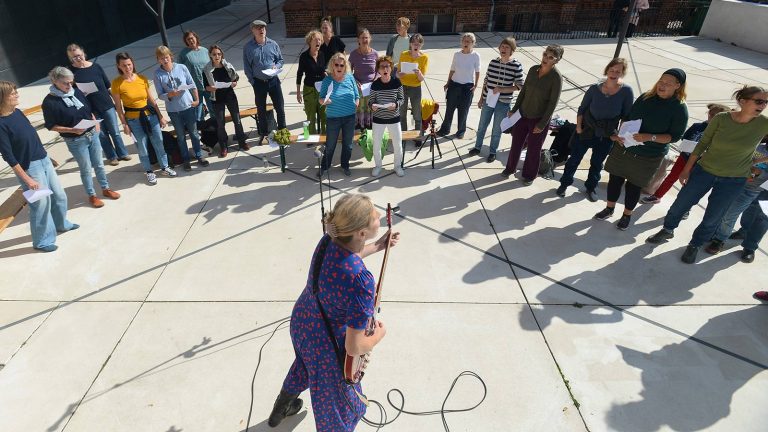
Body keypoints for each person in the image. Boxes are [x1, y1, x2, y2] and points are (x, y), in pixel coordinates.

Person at [267, 194, 399, 431]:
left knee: (304, 365)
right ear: (360, 232)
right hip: (326, 346)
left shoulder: (329, 238)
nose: (379, 216)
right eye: (374, 216)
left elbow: (350, 256)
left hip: (303, 322)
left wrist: (379, 246)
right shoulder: (361, 280)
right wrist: (379, 335)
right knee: (336, 412)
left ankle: (281, 409)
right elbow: (354, 346)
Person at [647, 85, 768, 263]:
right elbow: (702, 144)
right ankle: (667, 229)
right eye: (759, 101)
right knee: (681, 204)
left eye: (766, 102)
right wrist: (686, 169)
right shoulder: (721, 118)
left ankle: (695, 244)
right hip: (704, 171)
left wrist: (756, 162)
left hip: (734, 180)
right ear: (742, 101)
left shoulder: (763, 123)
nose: (763, 105)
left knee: (713, 216)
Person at [599, 69, 688, 230]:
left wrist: (649, 137)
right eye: (661, 81)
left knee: (634, 186)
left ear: (678, 86)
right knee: (615, 180)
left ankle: (626, 215)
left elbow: (674, 137)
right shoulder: (646, 97)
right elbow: (628, 117)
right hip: (624, 147)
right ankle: (609, 208)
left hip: (648, 155)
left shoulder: (679, 108)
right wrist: (619, 133)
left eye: (668, 83)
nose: (663, 85)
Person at [0, 80, 78, 252]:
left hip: (42, 159)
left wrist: (46, 156)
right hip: (29, 167)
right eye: (12, 93)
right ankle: (42, 241)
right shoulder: (1, 124)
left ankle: (62, 224)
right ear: (3, 97)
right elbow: (9, 157)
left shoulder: (18, 112)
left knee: (59, 195)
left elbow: (32, 137)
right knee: (40, 204)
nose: (16, 94)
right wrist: (27, 179)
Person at [557, 58, 634, 202]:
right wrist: (579, 127)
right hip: (587, 131)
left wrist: (618, 135)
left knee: (597, 164)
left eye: (618, 71)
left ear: (622, 73)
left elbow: (626, 116)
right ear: (607, 70)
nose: (614, 73)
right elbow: (582, 109)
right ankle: (564, 183)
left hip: (607, 135)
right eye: (612, 70)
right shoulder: (594, 88)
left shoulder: (626, 91)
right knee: (574, 160)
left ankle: (591, 187)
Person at [42, 67, 120, 208]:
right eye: (65, 83)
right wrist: (72, 130)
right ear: (55, 81)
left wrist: (94, 121)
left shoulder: (76, 91)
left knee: (100, 165)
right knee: (85, 168)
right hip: (76, 140)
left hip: (92, 134)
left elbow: (88, 109)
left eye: (71, 82)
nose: (69, 85)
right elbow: (51, 125)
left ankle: (106, 188)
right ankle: (92, 195)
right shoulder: (49, 102)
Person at [640, 103, 731, 205]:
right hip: (684, 157)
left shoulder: (720, 133)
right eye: (711, 114)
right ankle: (657, 196)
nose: (711, 117)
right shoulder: (698, 126)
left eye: (715, 116)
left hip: (700, 164)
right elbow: (684, 138)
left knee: (691, 186)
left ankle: (685, 206)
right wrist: (690, 145)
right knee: (672, 177)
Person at [111, 51, 177, 185]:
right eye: (124, 65)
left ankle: (164, 167)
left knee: (158, 142)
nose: (127, 67)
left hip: (150, 116)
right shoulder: (116, 83)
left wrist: (160, 116)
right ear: (119, 66)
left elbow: (151, 100)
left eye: (129, 64)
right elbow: (118, 107)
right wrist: (124, 124)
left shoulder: (142, 78)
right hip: (134, 120)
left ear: (132, 63)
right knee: (142, 147)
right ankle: (149, 171)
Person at [502, 45, 564, 185]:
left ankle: (529, 176)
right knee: (516, 144)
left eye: (550, 57)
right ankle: (510, 168)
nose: (545, 59)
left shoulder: (556, 78)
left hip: (538, 119)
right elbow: (523, 92)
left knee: (534, 149)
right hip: (522, 115)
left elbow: (552, 104)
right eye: (545, 55)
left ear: (556, 60)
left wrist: (542, 124)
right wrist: (514, 109)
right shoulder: (532, 69)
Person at [66, 44, 130, 166]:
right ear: (70, 59)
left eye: (79, 55)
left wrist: (116, 103)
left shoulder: (96, 67)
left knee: (115, 131)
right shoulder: (71, 73)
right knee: (102, 134)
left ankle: (123, 153)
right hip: (90, 109)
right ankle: (112, 157)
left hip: (106, 104)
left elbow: (107, 85)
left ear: (83, 53)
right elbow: (72, 93)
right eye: (74, 57)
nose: (77, 59)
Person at [468, 36, 524, 163]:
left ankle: (492, 152)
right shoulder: (493, 62)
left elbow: (520, 86)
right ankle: (477, 147)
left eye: (507, 47)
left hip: (503, 103)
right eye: (502, 46)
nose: (503, 49)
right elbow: (486, 81)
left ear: (512, 50)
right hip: (489, 100)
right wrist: (481, 98)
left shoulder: (516, 66)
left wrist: (502, 89)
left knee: (496, 129)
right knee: (482, 126)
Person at [705, 149, 768, 261]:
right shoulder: (761, 144)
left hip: (761, 184)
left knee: (763, 217)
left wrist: (761, 173)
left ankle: (750, 247)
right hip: (751, 183)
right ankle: (743, 231)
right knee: (746, 209)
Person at [154, 45, 209, 171]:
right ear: (158, 60)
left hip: (188, 107)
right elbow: (160, 95)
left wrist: (196, 100)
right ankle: (186, 160)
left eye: (167, 57)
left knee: (194, 134)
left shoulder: (181, 67)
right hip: (174, 111)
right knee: (181, 137)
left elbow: (192, 84)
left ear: (171, 56)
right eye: (162, 58)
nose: (165, 60)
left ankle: (199, 155)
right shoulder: (157, 74)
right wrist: (169, 95)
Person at [243, 19, 286, 144]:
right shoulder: (248, 47)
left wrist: (276, 67)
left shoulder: (273, 44)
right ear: (253, 30)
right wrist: (253, 82)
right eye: (258, 28)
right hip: (259, 83)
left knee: (280, 107)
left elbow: (280, 60)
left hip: (273, 81)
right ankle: (265, 134)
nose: (261, 30)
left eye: (263, 28)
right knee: (261, 110)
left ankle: (283, 132)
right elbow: (247, 67)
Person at [203, 44, 248, 158]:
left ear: (222, 55)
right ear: (210, 56)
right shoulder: (207, 69)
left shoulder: (227, 65)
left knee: (237, 120)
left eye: (219, 54)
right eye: (214, 54)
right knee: (220, 124)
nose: (217, 56)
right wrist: (211, 88)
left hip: (229, 96)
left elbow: (235, 79)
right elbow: (205, 87)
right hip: (216, 98)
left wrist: (234, 83)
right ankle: (224, 146)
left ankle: (242, 142)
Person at [318, 53, 359, 177]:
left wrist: (356, 103)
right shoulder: (327, 80)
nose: (339, 67)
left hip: (350, 118)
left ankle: (345, 165)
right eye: (336, 64)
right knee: (330, 145)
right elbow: (320, 98)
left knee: (348, 144)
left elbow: (357, 95)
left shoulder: (350, 77)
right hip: (333, 118)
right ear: (332, 65)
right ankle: (325, 167)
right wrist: (325, 101)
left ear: (345, 66)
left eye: (342, 65)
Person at [437, 33, 480, 139]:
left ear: (473, 43)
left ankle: (461, 131)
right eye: (464, 41)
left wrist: (476, 85)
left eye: (468, 41)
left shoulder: (476, 56)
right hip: (454, 85)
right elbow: (452, 69)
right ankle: (445, 129)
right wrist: (448, 83)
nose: (466, 43)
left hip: (467, 88)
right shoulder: (457, 54)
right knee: (449, 109)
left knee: (463, 111)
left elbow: (477, 72)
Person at [368, 56, 405, 177]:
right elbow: (371, 101)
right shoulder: (375, 85)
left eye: (387, 66)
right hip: (378, 119)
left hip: (394, 118)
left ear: (391, 68)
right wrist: (372, 106)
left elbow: (401, 99)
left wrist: (395, 104)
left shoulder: (397, 82)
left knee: (397, 144)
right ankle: (378, 166)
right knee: (377, 144)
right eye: (382, 66)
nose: (385, 69)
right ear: (378, 70)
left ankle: (397, 166)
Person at [296, 29, 327, 135]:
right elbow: (299, 74)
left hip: (322, 89)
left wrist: (326, 73)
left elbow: (324, 70)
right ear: (310, 41)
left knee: (324, 115)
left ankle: (325, 136)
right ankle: (309, 136)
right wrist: (298, 92)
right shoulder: (304, 57)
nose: (318, 42)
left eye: (320, 39)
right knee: (310, 116)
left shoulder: (322, 54)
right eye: (315, 40)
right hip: (309, 89)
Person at [397, 33, 428, 135]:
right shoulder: (403, 54)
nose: (416, 46)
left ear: (421, 45)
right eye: (414, 44)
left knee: (417, 114)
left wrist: (419, 73)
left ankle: (417, 135)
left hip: (415, 88)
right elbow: (397, 73)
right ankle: (404, 136)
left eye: (418, 44)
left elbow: (421, 79)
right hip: (402, 86)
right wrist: (400, 74)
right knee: (402, 114)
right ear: (410, 44)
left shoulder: (424, 58)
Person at [348, 28, 378, 130]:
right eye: (362, 38)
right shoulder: (353, 54)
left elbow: (379, 71)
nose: (365, 40)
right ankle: (359, 127)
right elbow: (348, 71)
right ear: (358, 40)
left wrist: (375, 80)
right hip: (358, 89)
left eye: (367, 37)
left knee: (370, 109)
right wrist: (355, 81)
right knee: (359, 109)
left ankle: (369, 128)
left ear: (370, 39)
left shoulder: (375, 54)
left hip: (371, 88)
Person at [178, 31, 212, 121]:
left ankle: (215, 130)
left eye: (192, 38)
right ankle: (203, 131)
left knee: (213, 109)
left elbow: (211, 66)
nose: (191, 40)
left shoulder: (205, 51)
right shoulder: (183, 54)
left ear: (196, 38)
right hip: (194, 88)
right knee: (198, 113)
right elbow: (179, 71)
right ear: (186, 41)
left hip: (208, 85)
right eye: (188, 39)